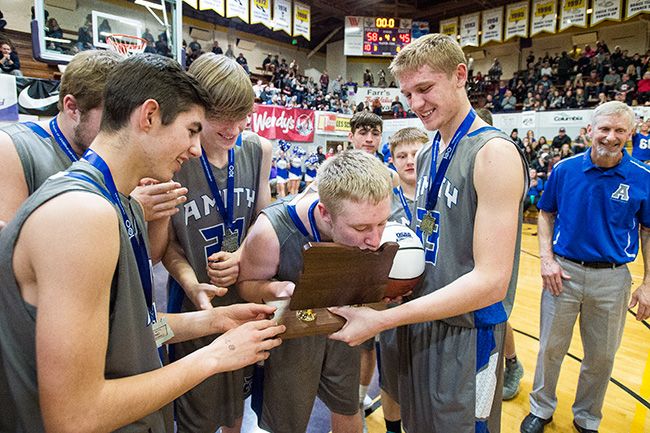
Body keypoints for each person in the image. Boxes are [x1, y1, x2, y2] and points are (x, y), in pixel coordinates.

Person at [0, 53, 285, 433]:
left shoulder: (118, 203)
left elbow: (133, 334)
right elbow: (74, 417)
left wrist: (211, 320)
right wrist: (214, 358)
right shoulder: (81, 214)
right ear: (149, 116)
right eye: (191, 130)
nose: (197, 149)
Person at [328, 33, 527, 433]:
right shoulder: (429, 150)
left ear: (459, 75)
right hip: (421, 321)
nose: (415, 104)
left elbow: (491, 282)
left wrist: (385, 320)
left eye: (424, 88)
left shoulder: (494, 155)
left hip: (467, 335)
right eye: (407, 93)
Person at [237, 150, 394, 433]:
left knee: (348, 407)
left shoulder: (371, 224)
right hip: (290, 336)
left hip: (343, 324)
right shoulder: (270, 232)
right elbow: (245, 285)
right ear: (325, 213)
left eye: (382, 223)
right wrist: (276, 288)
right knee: (286, 423)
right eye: (361, 228)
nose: (375, 239)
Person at [159, 53, 273, 433]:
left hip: (244, 297)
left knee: (236, 410)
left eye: (242, 117)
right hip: (194, 302)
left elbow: (264, 221)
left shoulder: (257, 150)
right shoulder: (173, 157)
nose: (235, 127)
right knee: (198, 416)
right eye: (223, 117)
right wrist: (193, 284)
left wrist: (243, 254)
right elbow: (167, 246)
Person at [521, 101, 650, 433]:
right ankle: (541, 407)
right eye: (604, 129)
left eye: (619, 130)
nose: (610, 137)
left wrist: (648, 283)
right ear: (590, 130)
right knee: (550, 348)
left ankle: (587, 417)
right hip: (563, 274)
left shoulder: (643, 178)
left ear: (630, 134)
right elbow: (546, 213)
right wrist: (547, 260)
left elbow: (648, 232)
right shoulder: (565, 170)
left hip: (612, 279)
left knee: (602, 358)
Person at [0, 50, 186, 233]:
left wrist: (160, 212)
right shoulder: (11, 146)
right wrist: (126, 208)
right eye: (112, 115)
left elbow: (147, 255)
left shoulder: (119, 156)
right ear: (72, 107)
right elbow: (11, 253)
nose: (124, 126)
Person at [378, 127, 428, 433]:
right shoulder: (384, 200)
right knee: (392, 376)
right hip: (392, 303)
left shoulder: (440, 194)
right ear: (393, 161)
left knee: (425, 376)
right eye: (402, 155)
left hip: (433, 299)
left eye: (416, 154)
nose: (410, 160)